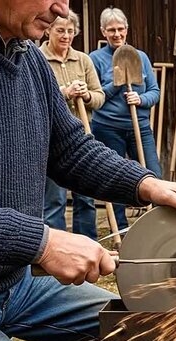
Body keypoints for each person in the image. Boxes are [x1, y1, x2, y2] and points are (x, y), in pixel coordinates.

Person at [0, 0, 176, 341]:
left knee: (162, 332)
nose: (62, 9)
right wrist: (43, 243)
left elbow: (71, 150)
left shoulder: (28, 57)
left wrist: (146, 184)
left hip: (18, 286)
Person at [90, 7, 162, 230]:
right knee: (116, 177)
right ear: (103, 31)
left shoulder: (140, 57)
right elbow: (96, 95)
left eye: (120, 29)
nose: (116, 34)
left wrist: (140, 99)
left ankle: (159, 225)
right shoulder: (95, 59)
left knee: (154, 174)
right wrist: (116, 83)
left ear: (127, 30)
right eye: (111, 30)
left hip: (139, 126)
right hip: (108, 127)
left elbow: (155, 92)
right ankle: (119, 229)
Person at [40, 9, 105, 240]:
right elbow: (35, 97)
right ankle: (57, 250)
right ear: (48, 30)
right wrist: (64, 93)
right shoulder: (39, 59)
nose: (66, 36)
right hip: (51, 138)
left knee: (86, 196)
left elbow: (99, 96)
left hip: (82, 138)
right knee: (55, 199)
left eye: (70, 31)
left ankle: (88, 245)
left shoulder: (83, 60)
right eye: (60, 30)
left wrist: (87, 95)